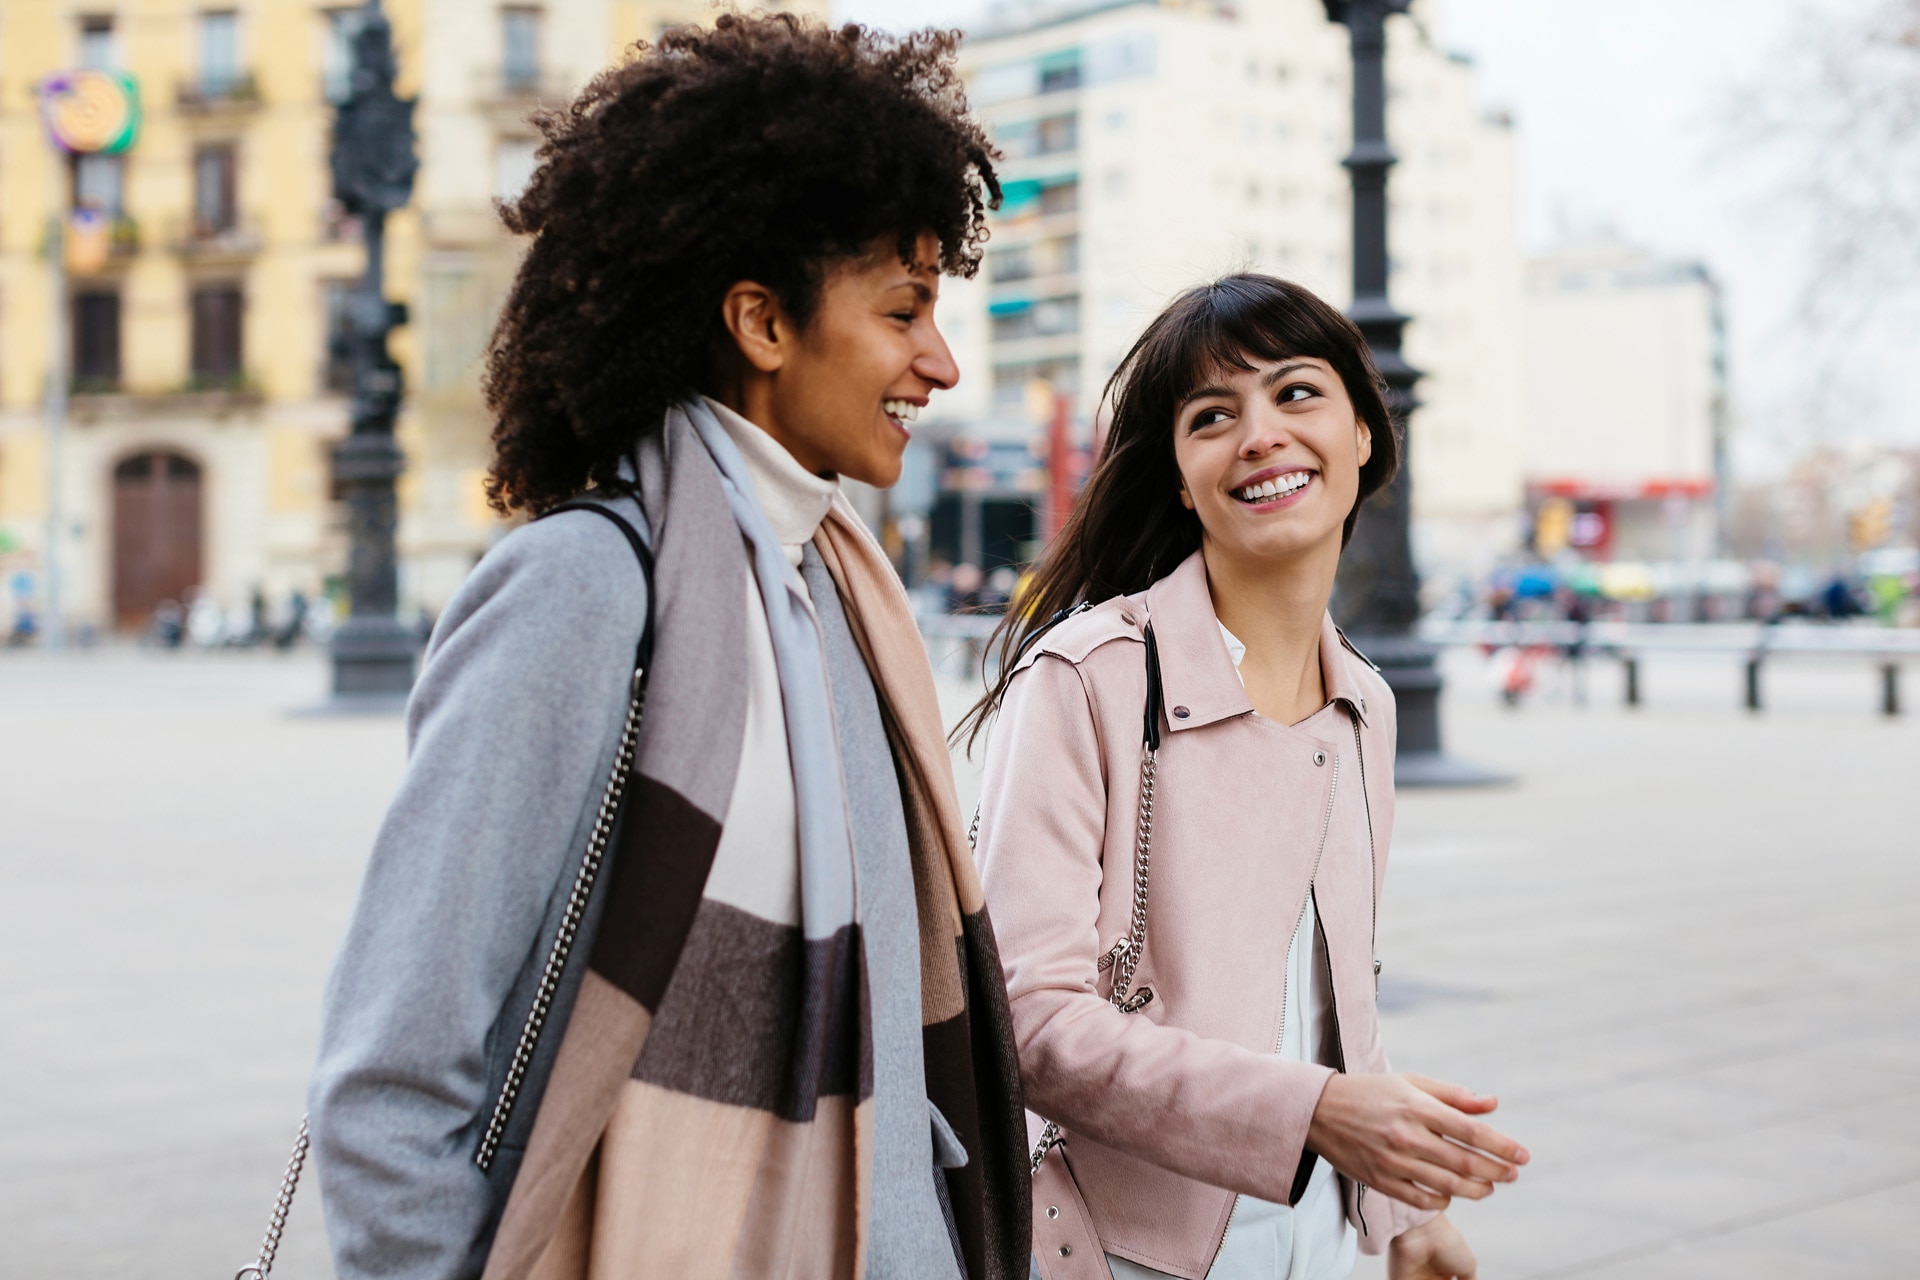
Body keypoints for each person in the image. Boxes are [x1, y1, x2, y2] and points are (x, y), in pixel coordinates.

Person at [307, 17, 1028, 1280]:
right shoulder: (587, 587)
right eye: (905, 309)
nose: (941, 361)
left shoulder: (842, 595)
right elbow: (390, 1074)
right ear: (761, 321)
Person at [963, 275, 1528, 1280]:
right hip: (1123, 1244)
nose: (1260, 434)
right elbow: (1030, 1021)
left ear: (1365, 434)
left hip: (1322, 1243)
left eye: (1298, 393)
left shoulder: (1365, 701)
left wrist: (1398, 1210)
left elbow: (1335, 996)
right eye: (1213, 415)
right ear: (1182, 476)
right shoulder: (1087, 675)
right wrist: (1312, 1111)